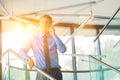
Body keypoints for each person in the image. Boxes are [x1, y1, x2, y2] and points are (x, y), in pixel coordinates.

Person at [19, 14, 66, 80]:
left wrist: (54, 34)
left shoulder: (54, 38)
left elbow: (63, 50)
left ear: (50, 24)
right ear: (39, 24)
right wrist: (28, 58)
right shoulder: (33, 38)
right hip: (41, 72)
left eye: (47, 22)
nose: (45, 24)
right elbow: (21, 51)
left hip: (56, 72)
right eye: (42, 22)